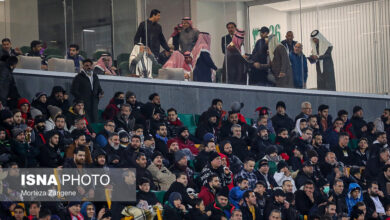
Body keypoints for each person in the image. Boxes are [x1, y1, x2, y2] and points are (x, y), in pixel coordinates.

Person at [71, 59, 104, 123]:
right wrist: (81, 99)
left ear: (92, 66)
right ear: (83, 66)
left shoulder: (95, 76)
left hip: (94, 103)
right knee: (86, 121)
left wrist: (101, 92)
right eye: (86, 65)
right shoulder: (78, 77)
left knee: (94, 121)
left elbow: (98, 88)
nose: (88, 67)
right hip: (84, 104)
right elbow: (73, 90)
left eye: (90, 65)